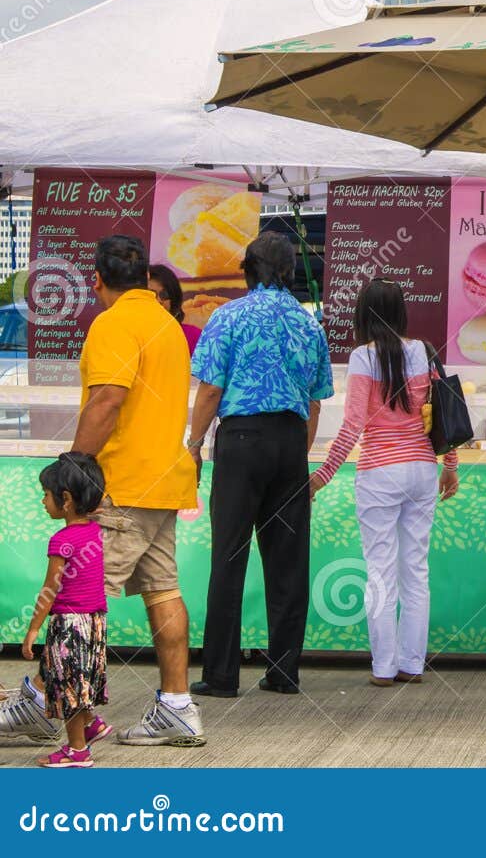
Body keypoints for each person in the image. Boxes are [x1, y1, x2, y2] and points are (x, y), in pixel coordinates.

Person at [0, 234, 204, 749]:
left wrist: (73, 468)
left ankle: (42, 704)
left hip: (121, 485)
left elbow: (108, 399)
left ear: (96, 280)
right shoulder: (167, 325)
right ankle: (177, 707)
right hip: (166, 481)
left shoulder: (113, 323)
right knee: (163, 590)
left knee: (74, 599)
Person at [189, 231, 332, 699]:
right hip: (290, 441)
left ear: (247, 269)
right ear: (290, 272)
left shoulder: (227, 316)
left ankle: (221, 675)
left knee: (229, 555)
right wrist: (297, 450)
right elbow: (315, 403)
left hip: (242, 439)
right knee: (288, 562)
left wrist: (193, 443)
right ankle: (284, 670)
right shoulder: (310, 325)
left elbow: (210, 389)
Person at [309, 279, 460, 686]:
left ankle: (383, 667)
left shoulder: (362, 357)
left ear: (362, 314)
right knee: (416, 569)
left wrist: (321, 476)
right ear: (400, 312)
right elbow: (444, 414)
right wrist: (451, 465)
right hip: (422, 469)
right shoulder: (423, 351)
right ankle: (412, 664)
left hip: (378, 472)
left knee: (380, 571)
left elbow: (353, 424)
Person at [20, 454, 109, 768]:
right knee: (83, 677)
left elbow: (50, 590)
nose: (43, 501)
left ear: (66, 500)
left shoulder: (62, 540)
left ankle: (77, 751)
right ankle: (91, 724)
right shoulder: (97, 533)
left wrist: (33, 629)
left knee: (67, 686)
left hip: (69, 624)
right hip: (95, 621)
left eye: (46, 494)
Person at [148, 263, 202, 354]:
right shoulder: (129, 335)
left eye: (164, 295)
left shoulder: (193, 335)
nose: (159, 300)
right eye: (152, 294)